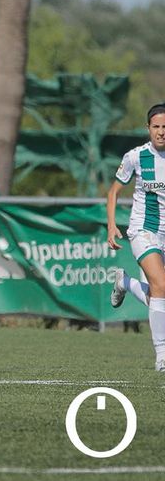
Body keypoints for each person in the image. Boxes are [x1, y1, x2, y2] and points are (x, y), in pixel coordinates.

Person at [107, 102, 165, 372]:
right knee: (161, 286)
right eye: (156, 126)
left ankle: (125, 283)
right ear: (148, 128)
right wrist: (111, 225)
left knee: (160, 294)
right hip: (144, 229)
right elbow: (114, 192)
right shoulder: (136, 157)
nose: (161, 132)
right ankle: (162, 356)